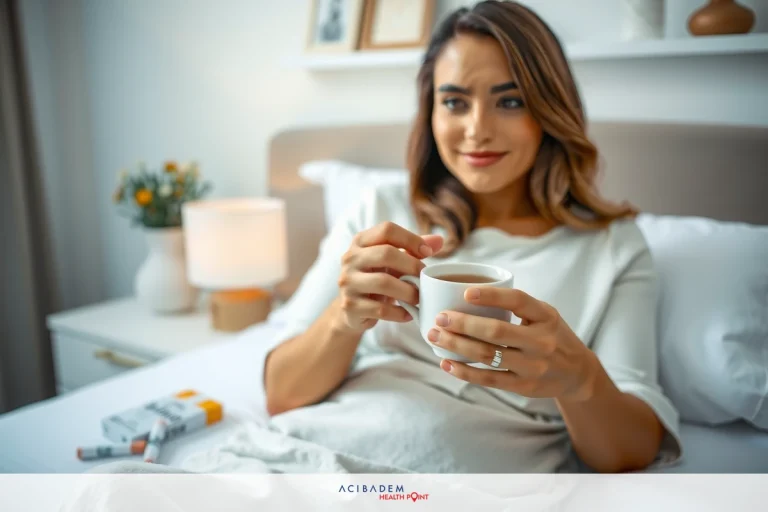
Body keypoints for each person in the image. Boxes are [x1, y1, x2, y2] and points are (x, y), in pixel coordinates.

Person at [262, 0, 681, 474]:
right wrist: (343, 316)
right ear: (431, 112)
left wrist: (579, 380)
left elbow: (631, 451)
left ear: (548, 109)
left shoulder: (611, 249)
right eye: (455, 102)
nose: (477, 130)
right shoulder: (381, 210)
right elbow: (281, 393)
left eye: (510, 101)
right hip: (306, 460)